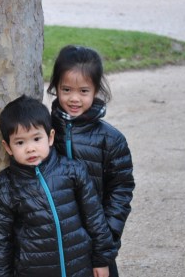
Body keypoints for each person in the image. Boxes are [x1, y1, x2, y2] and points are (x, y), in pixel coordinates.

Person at [0, 95, 116, 277]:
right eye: (20, 142)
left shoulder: (73, 171)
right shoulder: (1, 188)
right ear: (8, 147)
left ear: (50, 137)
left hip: (79, 268)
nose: (30, 148)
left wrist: (102, 260)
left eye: (37, 139)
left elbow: (95, 219)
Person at [47, 45, 135, 277]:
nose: (74, 98)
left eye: (84, 91)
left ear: (96, 90)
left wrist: (104, 251)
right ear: (56, 87)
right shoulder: (43, 133)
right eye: (66, 89)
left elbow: (120, 193)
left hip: (95, 241)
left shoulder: (110, 139)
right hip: (55, 243)